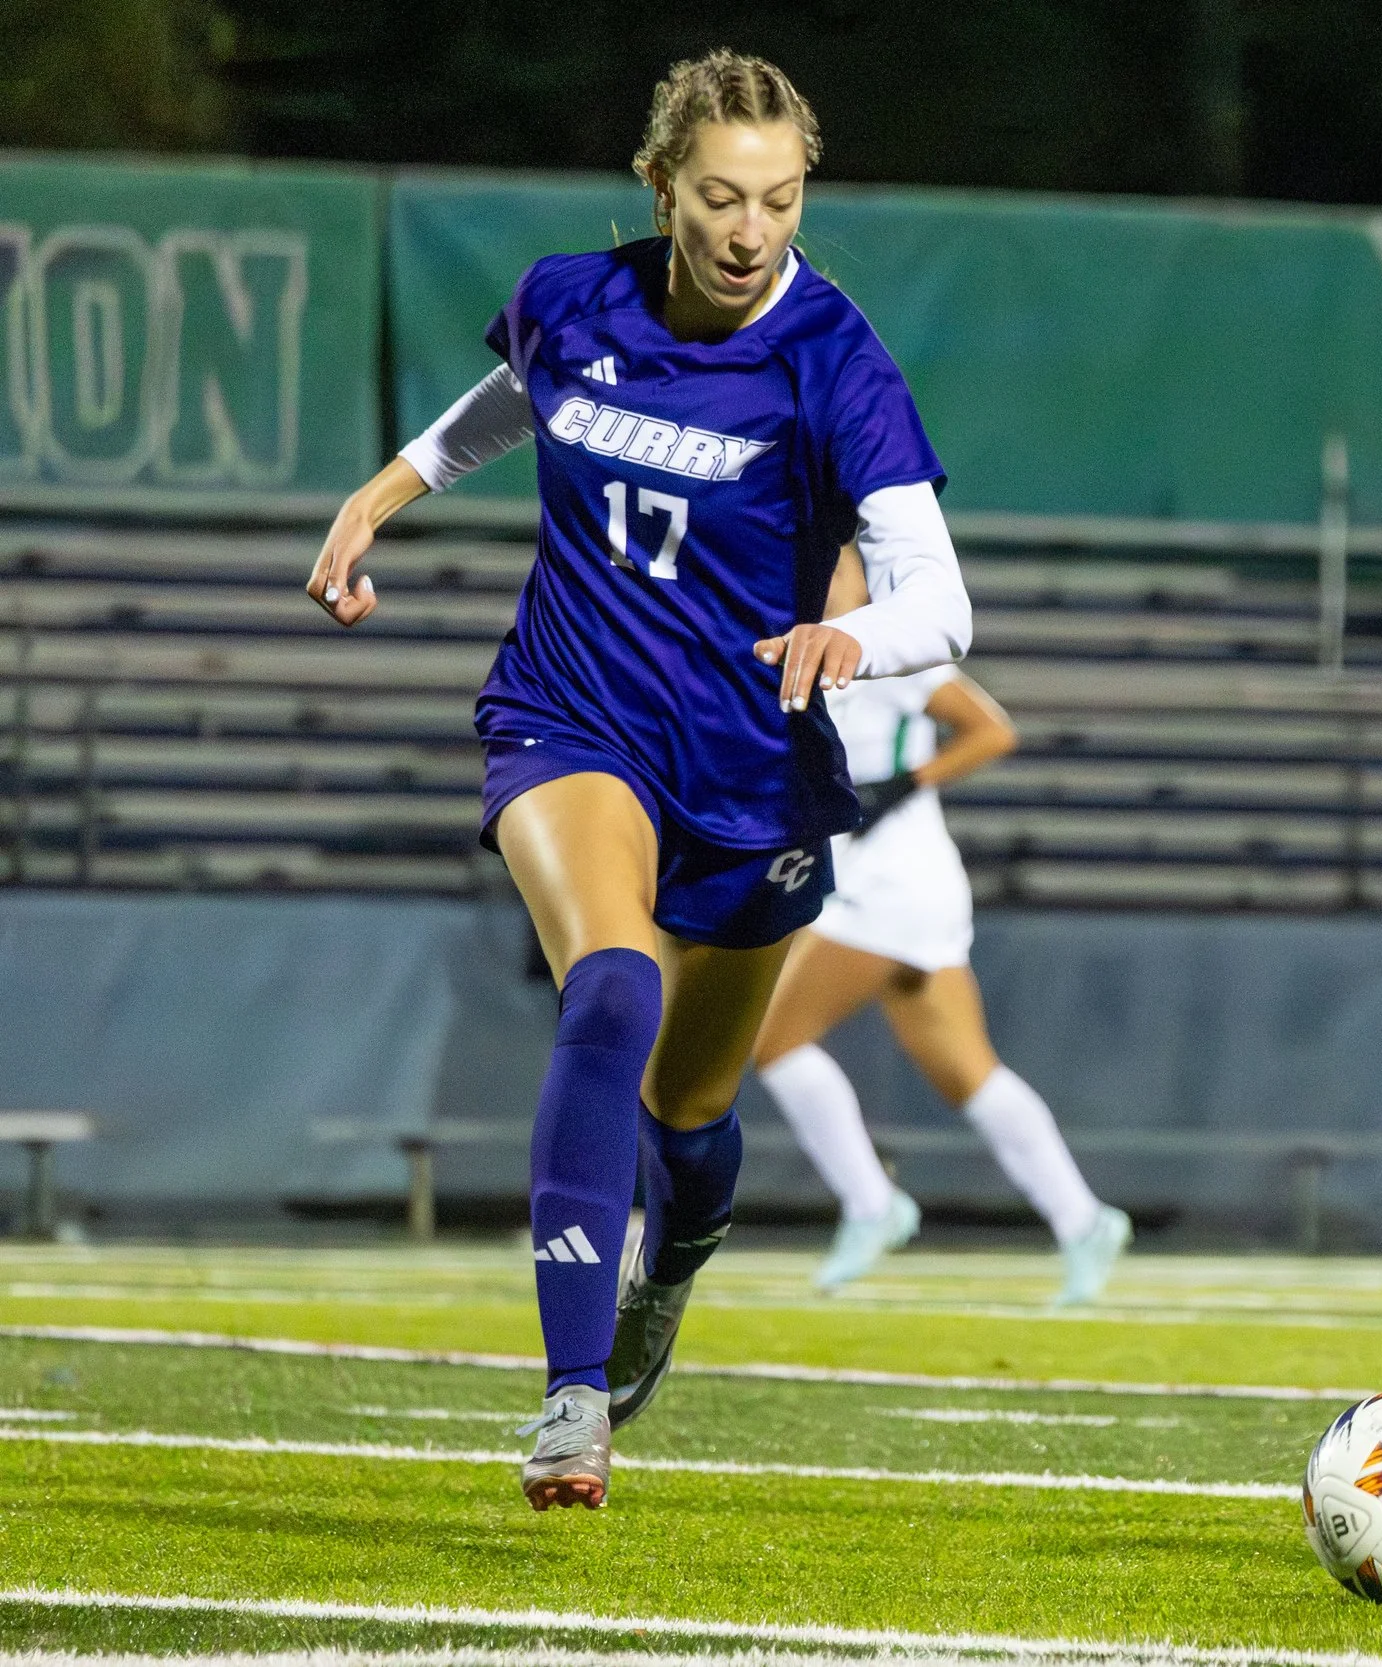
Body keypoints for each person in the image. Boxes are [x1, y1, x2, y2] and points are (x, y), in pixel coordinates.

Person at [304, 50, 971, 1512]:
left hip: (750, 767)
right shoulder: (571, 295)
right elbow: (523, 394)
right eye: (722, 198)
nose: (751, 233)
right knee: (612, 982)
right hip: (573, 709)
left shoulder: (833, 357)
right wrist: (384, 491)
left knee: (693, 1122)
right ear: (658, 185)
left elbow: (945, 602)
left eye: (782, 201)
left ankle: (667, 1271)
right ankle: (569, 1395)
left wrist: (847, 632)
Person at [751, 574, 1131, 1306]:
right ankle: (1083, 1219)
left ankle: (871, 1202)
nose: (823, 577)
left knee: (773, 1037)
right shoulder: (793, 649)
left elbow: (992, 728)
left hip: (893, 882)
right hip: (885, 880)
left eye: (836, 563)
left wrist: (903, 783)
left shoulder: (893, 649)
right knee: (968, 1072)